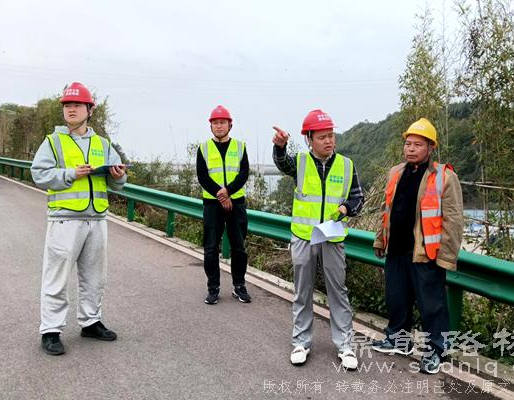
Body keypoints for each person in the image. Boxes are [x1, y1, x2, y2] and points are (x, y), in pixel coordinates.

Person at [31, 82, 128, 355]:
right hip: (65, 219)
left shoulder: (103, 144)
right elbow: (39, 174)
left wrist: (118, 176)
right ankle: (51, 330)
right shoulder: (53, 142)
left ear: (89, 110)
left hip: (96, 219)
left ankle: (91, 322)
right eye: (67, 105)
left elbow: (118, 181)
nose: (71, 109)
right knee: (56, 276)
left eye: (76, 105)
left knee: (95, 276)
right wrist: (71, 173)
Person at [272, 109, 364, 369]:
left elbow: (358, 197)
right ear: (309, 139)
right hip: (304, 236)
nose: (329, 141)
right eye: (322, 137)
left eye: (331, 135)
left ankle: (345, 346)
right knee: (303, 290)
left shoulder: (346, 165)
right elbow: (282, 163)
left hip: (332, 238)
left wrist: (346, 208)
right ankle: (301, 342)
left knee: (338, 291)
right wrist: (280, 147)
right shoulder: (300, 162)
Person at [371, 118, 464, 374]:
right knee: (396, 300)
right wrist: (380, 239)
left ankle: (437, 350)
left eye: (418, 144)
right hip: (396, 249)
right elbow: (387, 209)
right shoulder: (396, 172)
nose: (411, 149)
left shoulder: (444, 177)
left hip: (425, 254)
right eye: (408, 144)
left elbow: (453, 220)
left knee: (432, 306)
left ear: (431, 147)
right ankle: (398, 341)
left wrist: (446, 256)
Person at [197, 105, 251, 304]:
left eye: (222, 122)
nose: (219, 126)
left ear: (230, 125)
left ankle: (239, 286)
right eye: (215, 123)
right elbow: (202, 176)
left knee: (239, 248)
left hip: (236, 203)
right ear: (210, 126)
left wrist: (228, 191)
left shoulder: (240, 146)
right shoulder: (204, 148)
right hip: (212, 204)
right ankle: (213, 288)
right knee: (211, 248)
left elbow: (244, 173)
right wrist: (221, 196)